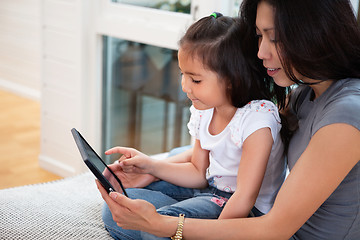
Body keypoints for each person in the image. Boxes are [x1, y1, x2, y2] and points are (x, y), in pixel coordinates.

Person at [97, 0, 360, 239]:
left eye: (275, 38)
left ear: (317, 32)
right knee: (120, 208)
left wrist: (160, 224)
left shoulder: (346, 114)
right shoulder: (305, 92)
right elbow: (226, 153)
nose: (260, 53)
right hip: (244, 209)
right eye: (259, 37)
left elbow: (274, 229)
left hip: (275, 232)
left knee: (145, 228)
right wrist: (151, 167)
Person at [100, 12, 287, 240]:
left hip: (243, 211)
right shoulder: (205, 109)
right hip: (211, 190)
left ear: (232, 79)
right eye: (183, 74)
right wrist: (150, 167)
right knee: (120, 207)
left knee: (156, 227)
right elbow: (199, 172)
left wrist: (204, 231)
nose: (185, 87)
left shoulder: (256, 120)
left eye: (195, 80)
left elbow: (244, 198)